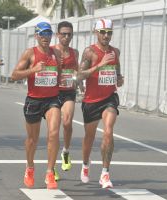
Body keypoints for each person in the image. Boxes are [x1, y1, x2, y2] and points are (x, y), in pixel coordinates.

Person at [11, 22, 61, 190]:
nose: (45, 37)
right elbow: (14, 75)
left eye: (48, 34)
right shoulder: (30, 53)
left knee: (54, 133)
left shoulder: (56, 53)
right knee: (32, 140)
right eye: (42, 34)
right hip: (33, 100)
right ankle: (30, 167)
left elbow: (59, 74)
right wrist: (33, 70)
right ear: (36, 36)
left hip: (52, 99)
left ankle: (49, 172)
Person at [76, 18, 124, 188]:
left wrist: (119, 79)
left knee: (108, 131)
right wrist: (99, 65)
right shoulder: (89, 52)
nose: (106, 35)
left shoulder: (115, 52)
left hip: (109, 98)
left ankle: (105, 173)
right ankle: (85, 165)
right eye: (103, 32)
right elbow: (79, 76)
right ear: (96, 32)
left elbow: (117, 73)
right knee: (89, 137)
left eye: (109, 32)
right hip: (91, 101)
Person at [51, 21, 84, 179]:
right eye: (63, 34)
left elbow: (76, 71)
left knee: (67, 122)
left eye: (69, 34)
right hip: (52, 93)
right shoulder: (51, 51)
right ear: (57, 35)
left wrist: (80, 83)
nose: (66, 37)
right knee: (54, 130)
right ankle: (52, 167)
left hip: (69, 92)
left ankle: (65, 152)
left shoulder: (75, 52)